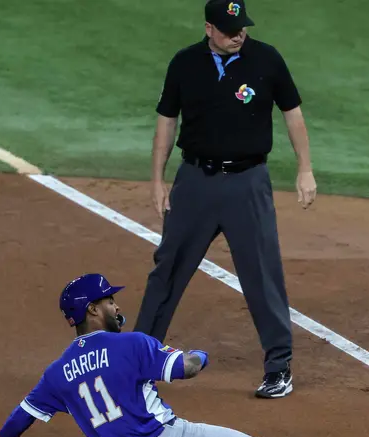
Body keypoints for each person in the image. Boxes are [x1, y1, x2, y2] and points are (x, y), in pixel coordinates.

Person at [0, 273, 369, 437]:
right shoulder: (131, 344)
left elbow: (20, 419)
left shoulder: (57, 373)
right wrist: (200, 354)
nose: (115, 305)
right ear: (92, 310)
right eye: (108, 300)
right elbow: (186, 368)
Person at [134, 0, 314, 399]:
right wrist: (157, 180)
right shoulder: (184, 64)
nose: (239, 34)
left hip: (248, 183)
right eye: (230, 29)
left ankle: (279, 367)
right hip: (194, 182)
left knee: (262, 274)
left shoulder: (266, 59)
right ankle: (138, 359)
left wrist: (305, 168)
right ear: (209, 29)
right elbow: (167, 121)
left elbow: (293, 113)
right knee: (168, 268)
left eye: (242, 27)